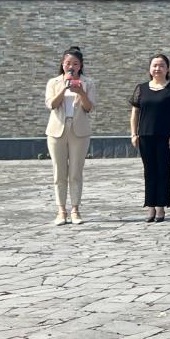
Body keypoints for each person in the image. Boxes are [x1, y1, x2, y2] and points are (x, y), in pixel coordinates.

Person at [129, 54, 170, 223]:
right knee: (149, 171)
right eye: (154, 65)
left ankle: (161, 206)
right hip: (145, 135)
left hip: (165, 136)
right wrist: (133, 133)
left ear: (167, 69)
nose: (157, 68)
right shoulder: (141, 88)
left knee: (163, 170)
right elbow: (135, 113)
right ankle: (150, 206)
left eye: (161, 65)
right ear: (149, 68)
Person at [44, 46, 96, 226]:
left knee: (75, 172)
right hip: (57, 130)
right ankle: (61, 210)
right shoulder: (54, 82)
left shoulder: (87, 83)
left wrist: (80, 91)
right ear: (62, 64)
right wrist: (64, 87)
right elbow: (51, 104)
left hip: (79, 130)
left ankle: (75, 209)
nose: (71, 66)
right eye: (68, 63)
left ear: (80, 65)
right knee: (59, 172)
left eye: (75, 63)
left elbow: (89, 108)